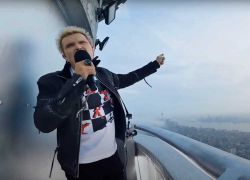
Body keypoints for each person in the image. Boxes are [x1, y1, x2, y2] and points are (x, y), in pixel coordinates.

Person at [33, 26, 165, 180]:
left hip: (113, 158)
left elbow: (130, 77)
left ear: (92, 48)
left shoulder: (104, 75)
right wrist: (78, 79)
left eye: (82, 42)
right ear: (64, 55)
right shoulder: (51, 81)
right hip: (79, 168)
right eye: (70, 45)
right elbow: (44, 122)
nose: (78, 46)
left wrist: (154, 64)